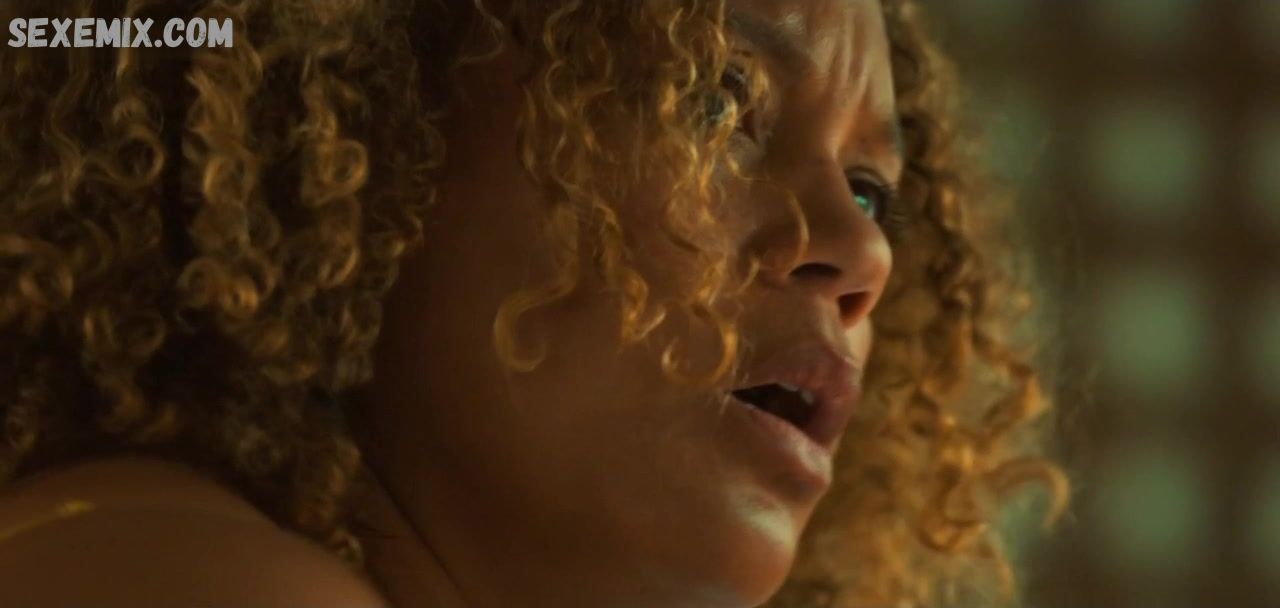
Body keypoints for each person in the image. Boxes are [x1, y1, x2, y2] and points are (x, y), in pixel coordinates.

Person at [0, 0, 1068, 606]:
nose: (861, 251)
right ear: (357, 123)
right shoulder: (170, 571)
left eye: (870, 189)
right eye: (713, 100)